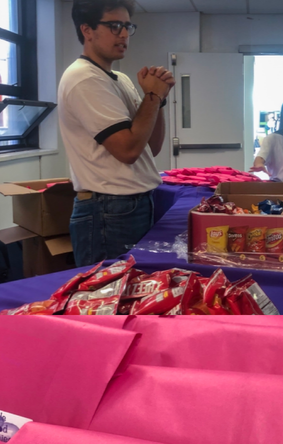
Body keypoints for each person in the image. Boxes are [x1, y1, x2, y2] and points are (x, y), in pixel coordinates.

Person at [59, 0, 175, 267]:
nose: (123, 34)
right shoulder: (85, 78)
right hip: (109, 209)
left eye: (127, 26)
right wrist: (153, 94)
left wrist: (159, 98)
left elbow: (151, 147)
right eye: (114, 26)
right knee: (108, 300)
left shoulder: (118, 79)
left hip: (132, 203)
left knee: (135, 291)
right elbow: (128, 151)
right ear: (87, 30)